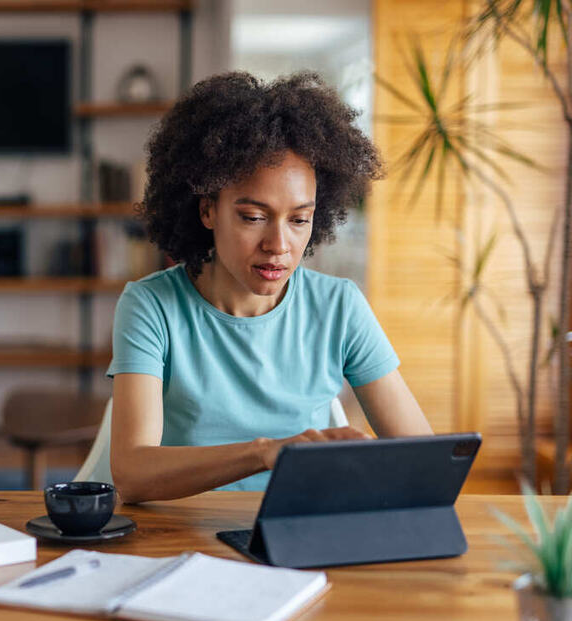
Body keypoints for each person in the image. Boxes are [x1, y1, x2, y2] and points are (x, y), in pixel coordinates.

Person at [108, 71, 433, 504]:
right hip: (185, 533)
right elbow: (132, 474)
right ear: (208, 210)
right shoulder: (152, 306)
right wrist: (265, 453)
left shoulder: (339, 307)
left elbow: (422, 458)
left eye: (299, 220)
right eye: (253, 217)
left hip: (300, 528)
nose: (279, 246)